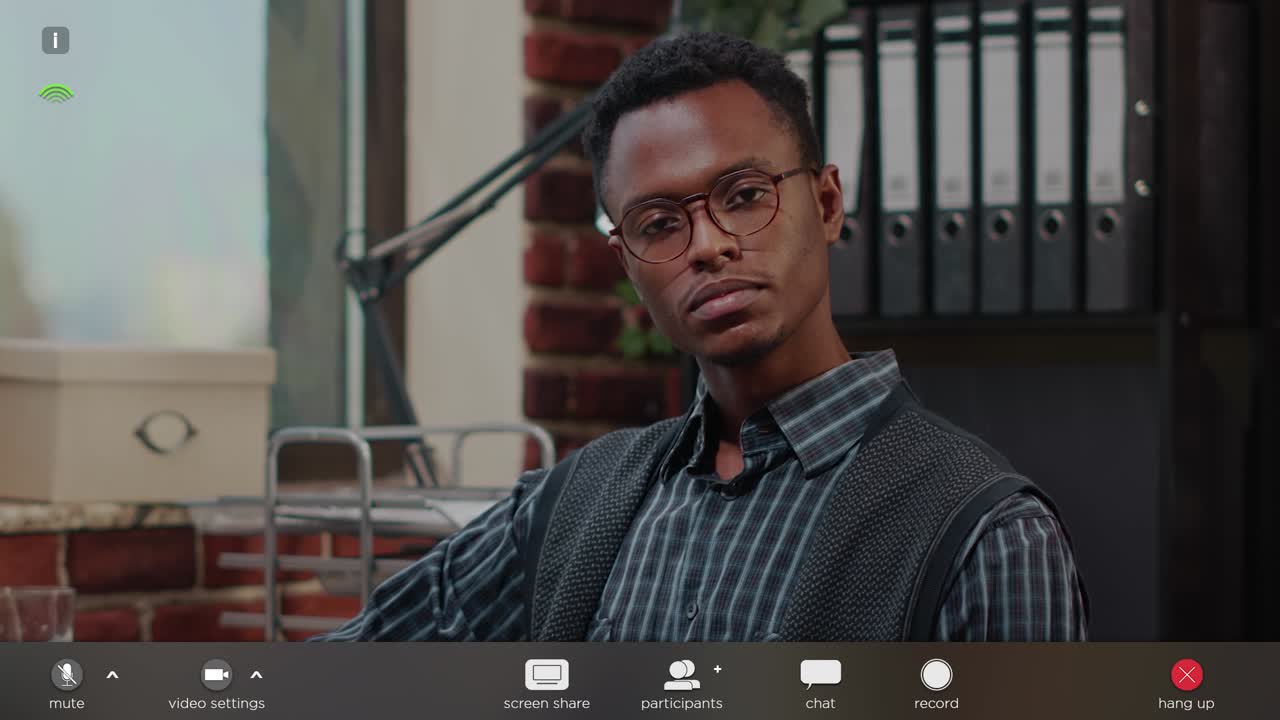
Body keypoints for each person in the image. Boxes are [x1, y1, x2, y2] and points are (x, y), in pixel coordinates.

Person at [312, 31, 1087, 643]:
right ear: (627, 261)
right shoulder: (575, 505)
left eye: (744, 196)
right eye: (660, 223)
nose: (708, 246)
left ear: (825, 202)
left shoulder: (984, 534)